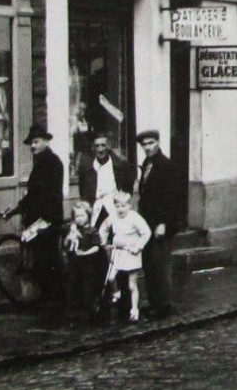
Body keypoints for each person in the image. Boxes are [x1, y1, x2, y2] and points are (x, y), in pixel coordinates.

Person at [0, 122, 65, 300]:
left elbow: (51, 195)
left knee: (49, 259)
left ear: (46, 141)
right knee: (40, 259)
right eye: (31, 143)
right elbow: (33, 195)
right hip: (38, 220)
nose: (33, 146)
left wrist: (47, 221)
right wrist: (16, 210)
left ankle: (57, 299)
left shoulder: (53, 163)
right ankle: (46, 297)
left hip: (46, 220)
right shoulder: (41, 163)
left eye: (36, 142)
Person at [135, 128, 185, 318]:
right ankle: (154, 301)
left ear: (158, 142)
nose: (147, 147)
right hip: (147, 223)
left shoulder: (167, 166)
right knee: (149, 264)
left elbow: (171, 198)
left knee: (160, 264)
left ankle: (163, 305)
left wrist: (163, 223)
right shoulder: (147, 164)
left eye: (150, 143)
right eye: (144, 144)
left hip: (160, 224)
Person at [101, 190, 152, 322]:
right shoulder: (113, 216)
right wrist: (104, 242)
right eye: (117, 206)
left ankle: (134, 309)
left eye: (123, 206)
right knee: (110, 277)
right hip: (118, 253)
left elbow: (146, 232)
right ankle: (116, 295)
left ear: (129, 206)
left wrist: (138, 246)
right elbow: (104, 227)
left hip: (131, 253)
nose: (120, 209)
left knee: (131, 284)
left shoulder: (134, 217)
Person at [77, 132, 135, 225]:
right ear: (93, 148)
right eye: (97, 146)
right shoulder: (86, 167)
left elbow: (128, 188)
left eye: (103, 145)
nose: (100, 149)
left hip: (115, 209)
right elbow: (82, 190)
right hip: (94, 209)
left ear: (108, 146)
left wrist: (123, 203)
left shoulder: (120, 165)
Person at [62, 200, 107, 321]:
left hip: (88, 263)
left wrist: (85, 253)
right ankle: (74, 309)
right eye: (77, 216)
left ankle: (89, 309)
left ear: (88, 216)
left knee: (88, 286)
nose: (79, 219)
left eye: (82, 215)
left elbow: (96, 247)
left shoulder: (92, 231)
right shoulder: (73, 229)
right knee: (73, 283)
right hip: (75, 262)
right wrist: (69, 235)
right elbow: (66, 245)